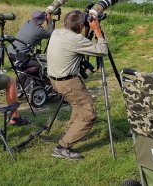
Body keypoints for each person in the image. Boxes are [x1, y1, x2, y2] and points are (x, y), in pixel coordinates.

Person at [46, 10, 108, 161]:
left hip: (55, 80)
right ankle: (63, 147)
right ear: (81, 25)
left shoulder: (56, 33)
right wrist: (97, 30)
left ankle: (70, 135)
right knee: (89, 114)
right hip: (69, 83)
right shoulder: (76, 40)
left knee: (78, 107)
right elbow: (102, 51)